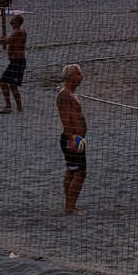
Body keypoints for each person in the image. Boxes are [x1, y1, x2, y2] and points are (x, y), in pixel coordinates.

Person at [56, 63, 89, 214]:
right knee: (79, 172)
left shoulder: (71, 94)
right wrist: (72, 139)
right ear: (70, 77)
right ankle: (70, 206)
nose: (81, 77)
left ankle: (70, 204)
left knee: (72, 170)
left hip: (77, 138)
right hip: (72, 138)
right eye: (78, 74)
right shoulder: (64, 95)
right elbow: (66, 119)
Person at [0, 11, 27, 112]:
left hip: (17, 61)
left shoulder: (17, 31)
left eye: (13, 19)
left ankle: (9, 106)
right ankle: (18, 107)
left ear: (17, 22)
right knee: (13, 85)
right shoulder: (20, 31)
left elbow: (6, 42)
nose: (11, 20)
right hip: (18, 61)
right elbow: (12, 41)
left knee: (3, 82)